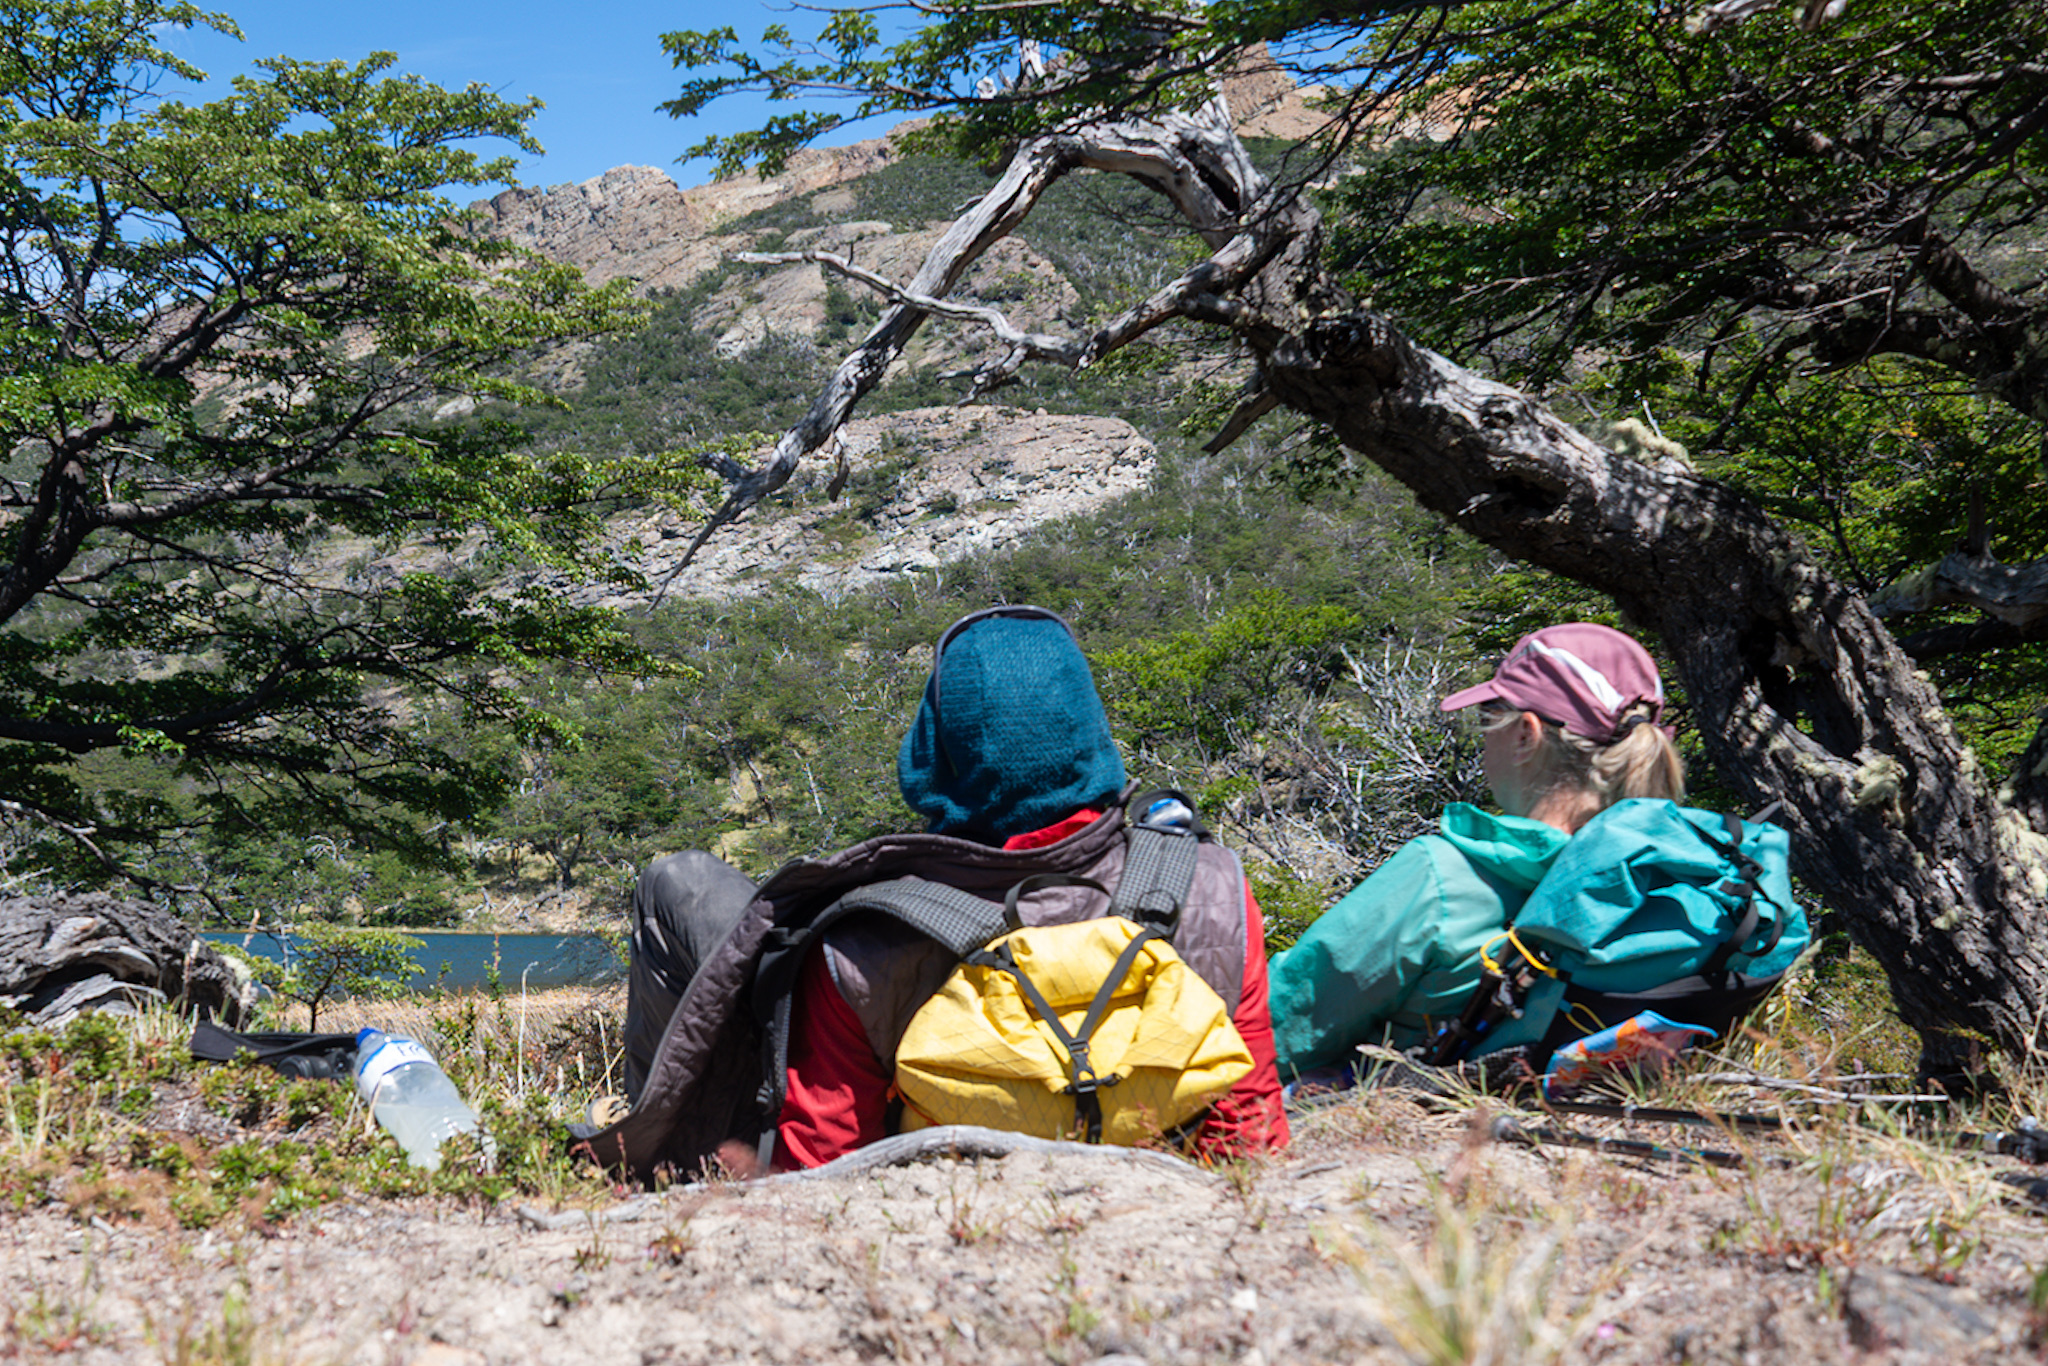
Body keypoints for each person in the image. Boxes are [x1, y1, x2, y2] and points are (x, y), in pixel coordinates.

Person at [610, 605, 1288, 1174]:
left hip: (921, 1183)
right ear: (1088, 728)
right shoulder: (1207, 886)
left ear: (935, 752)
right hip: (1153, 1183)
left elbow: (819, 1172)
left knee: (681, 882)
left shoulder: (865, 942)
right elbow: (1249, 1139)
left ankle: (645, 1152)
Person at [1266, 622, 1691, 1076]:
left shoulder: (1440, 879)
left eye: (1488, 715)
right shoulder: (1677, 882)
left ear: (1526, 734)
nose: (1484, 736)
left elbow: (1276, 1029)